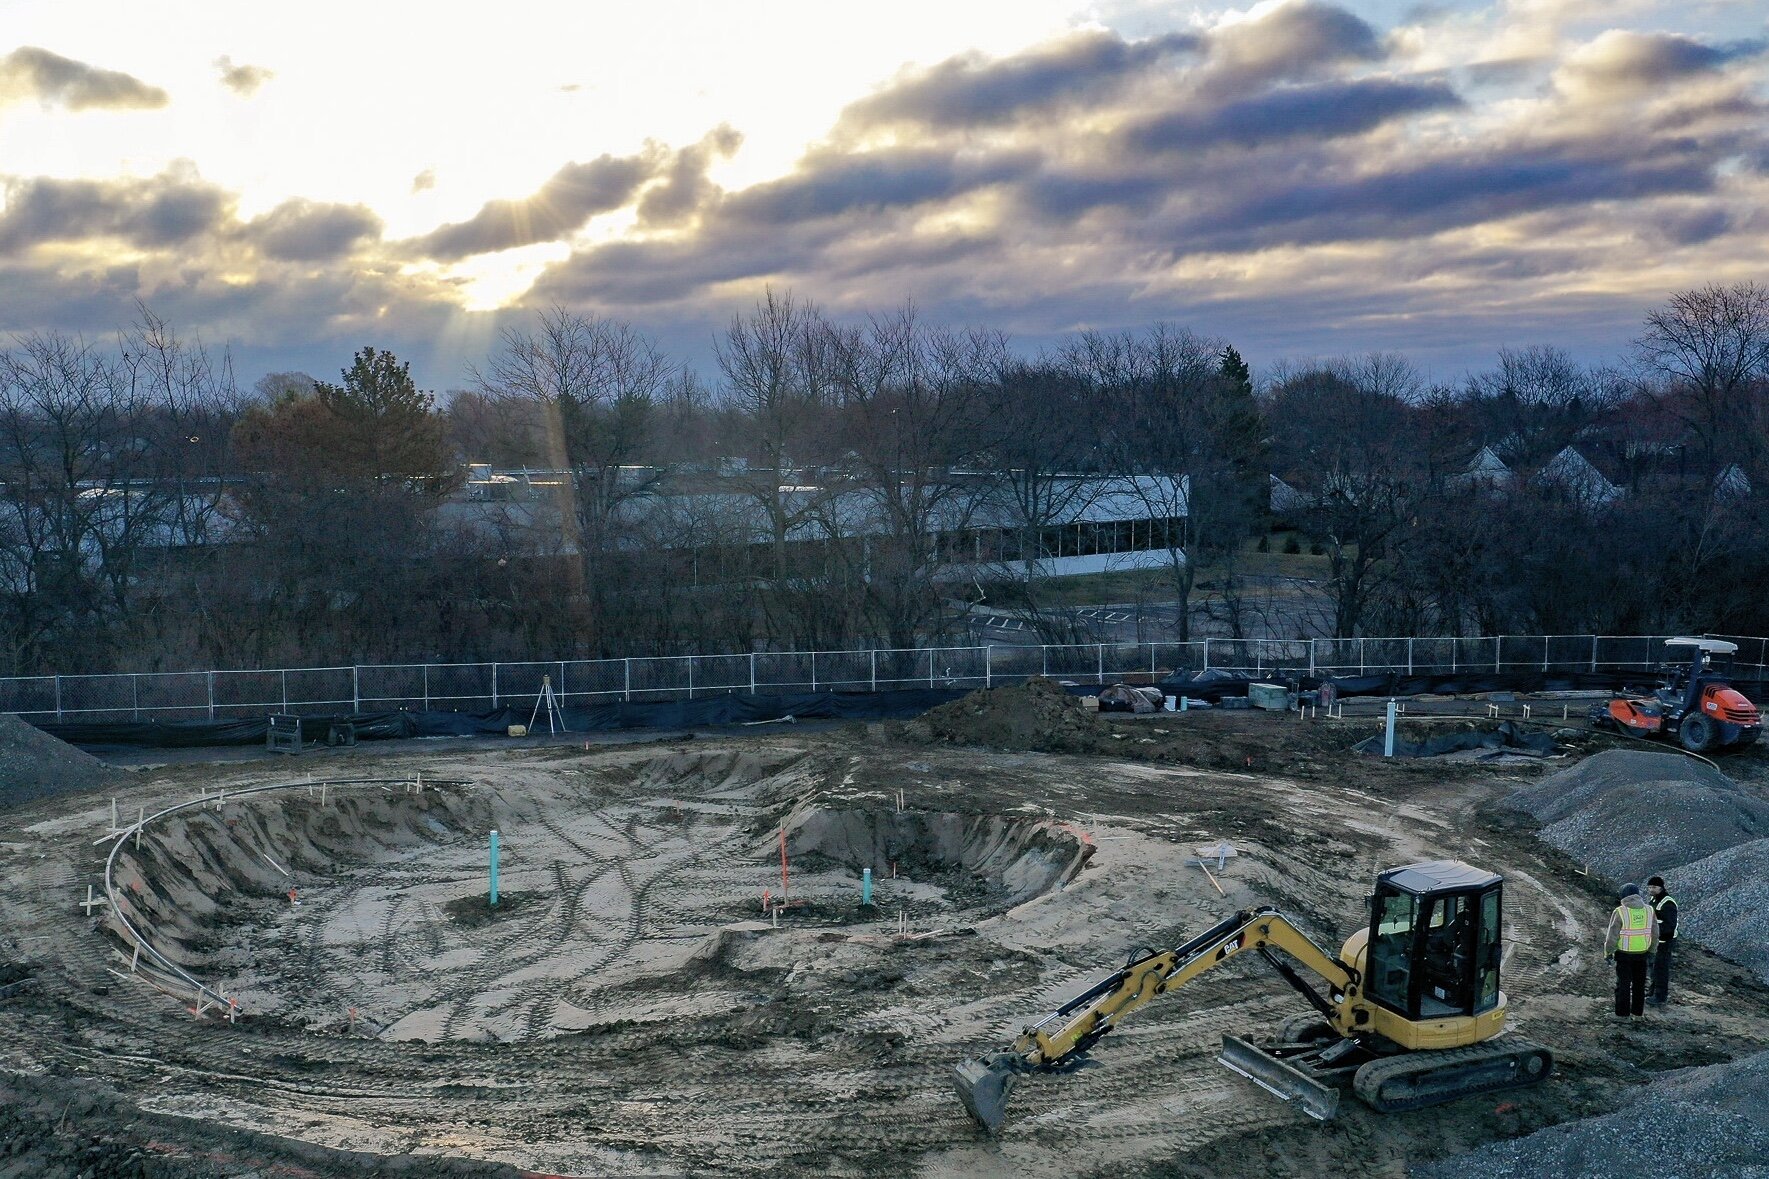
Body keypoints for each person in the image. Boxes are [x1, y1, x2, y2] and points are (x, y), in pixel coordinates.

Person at [1604, 883, 1658, 1017]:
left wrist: (1608, 952)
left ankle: (1622, 1015)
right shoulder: (1649, 910)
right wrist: (1652, 951)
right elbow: (1655, 933)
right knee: (1639, 985)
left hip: (1624, 955)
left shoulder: (1620, 911)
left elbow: (1612, 936)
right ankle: (1637, 1014)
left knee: (1623, 985)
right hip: (1642, 954)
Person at [1647, 875, 1678, 1006]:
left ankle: (1660, 997)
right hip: (1656, 940)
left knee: (1661, 968)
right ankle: (1653, 991)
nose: (1651, 890)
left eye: (1654, 887)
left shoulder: (1668, 903)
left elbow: (1669, 925)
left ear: (1661, 887)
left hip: (1665, 941)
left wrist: (1657, 933)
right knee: (1654, 967)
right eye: (1649, 887)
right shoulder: (1654, 900)